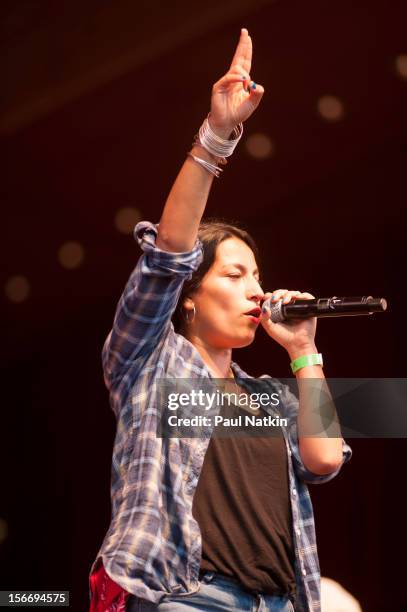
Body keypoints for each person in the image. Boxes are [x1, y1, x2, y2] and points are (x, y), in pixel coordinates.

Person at [89, 28, 352, 612]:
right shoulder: (148, 364)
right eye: (234, 275)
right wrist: (216, 138)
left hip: (279, 602)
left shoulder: (266, 398)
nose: (255, 290)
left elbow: (325, 459)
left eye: (257, 276)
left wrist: (305, 352)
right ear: (189, 295)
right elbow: (168, 253)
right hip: (186, 596)